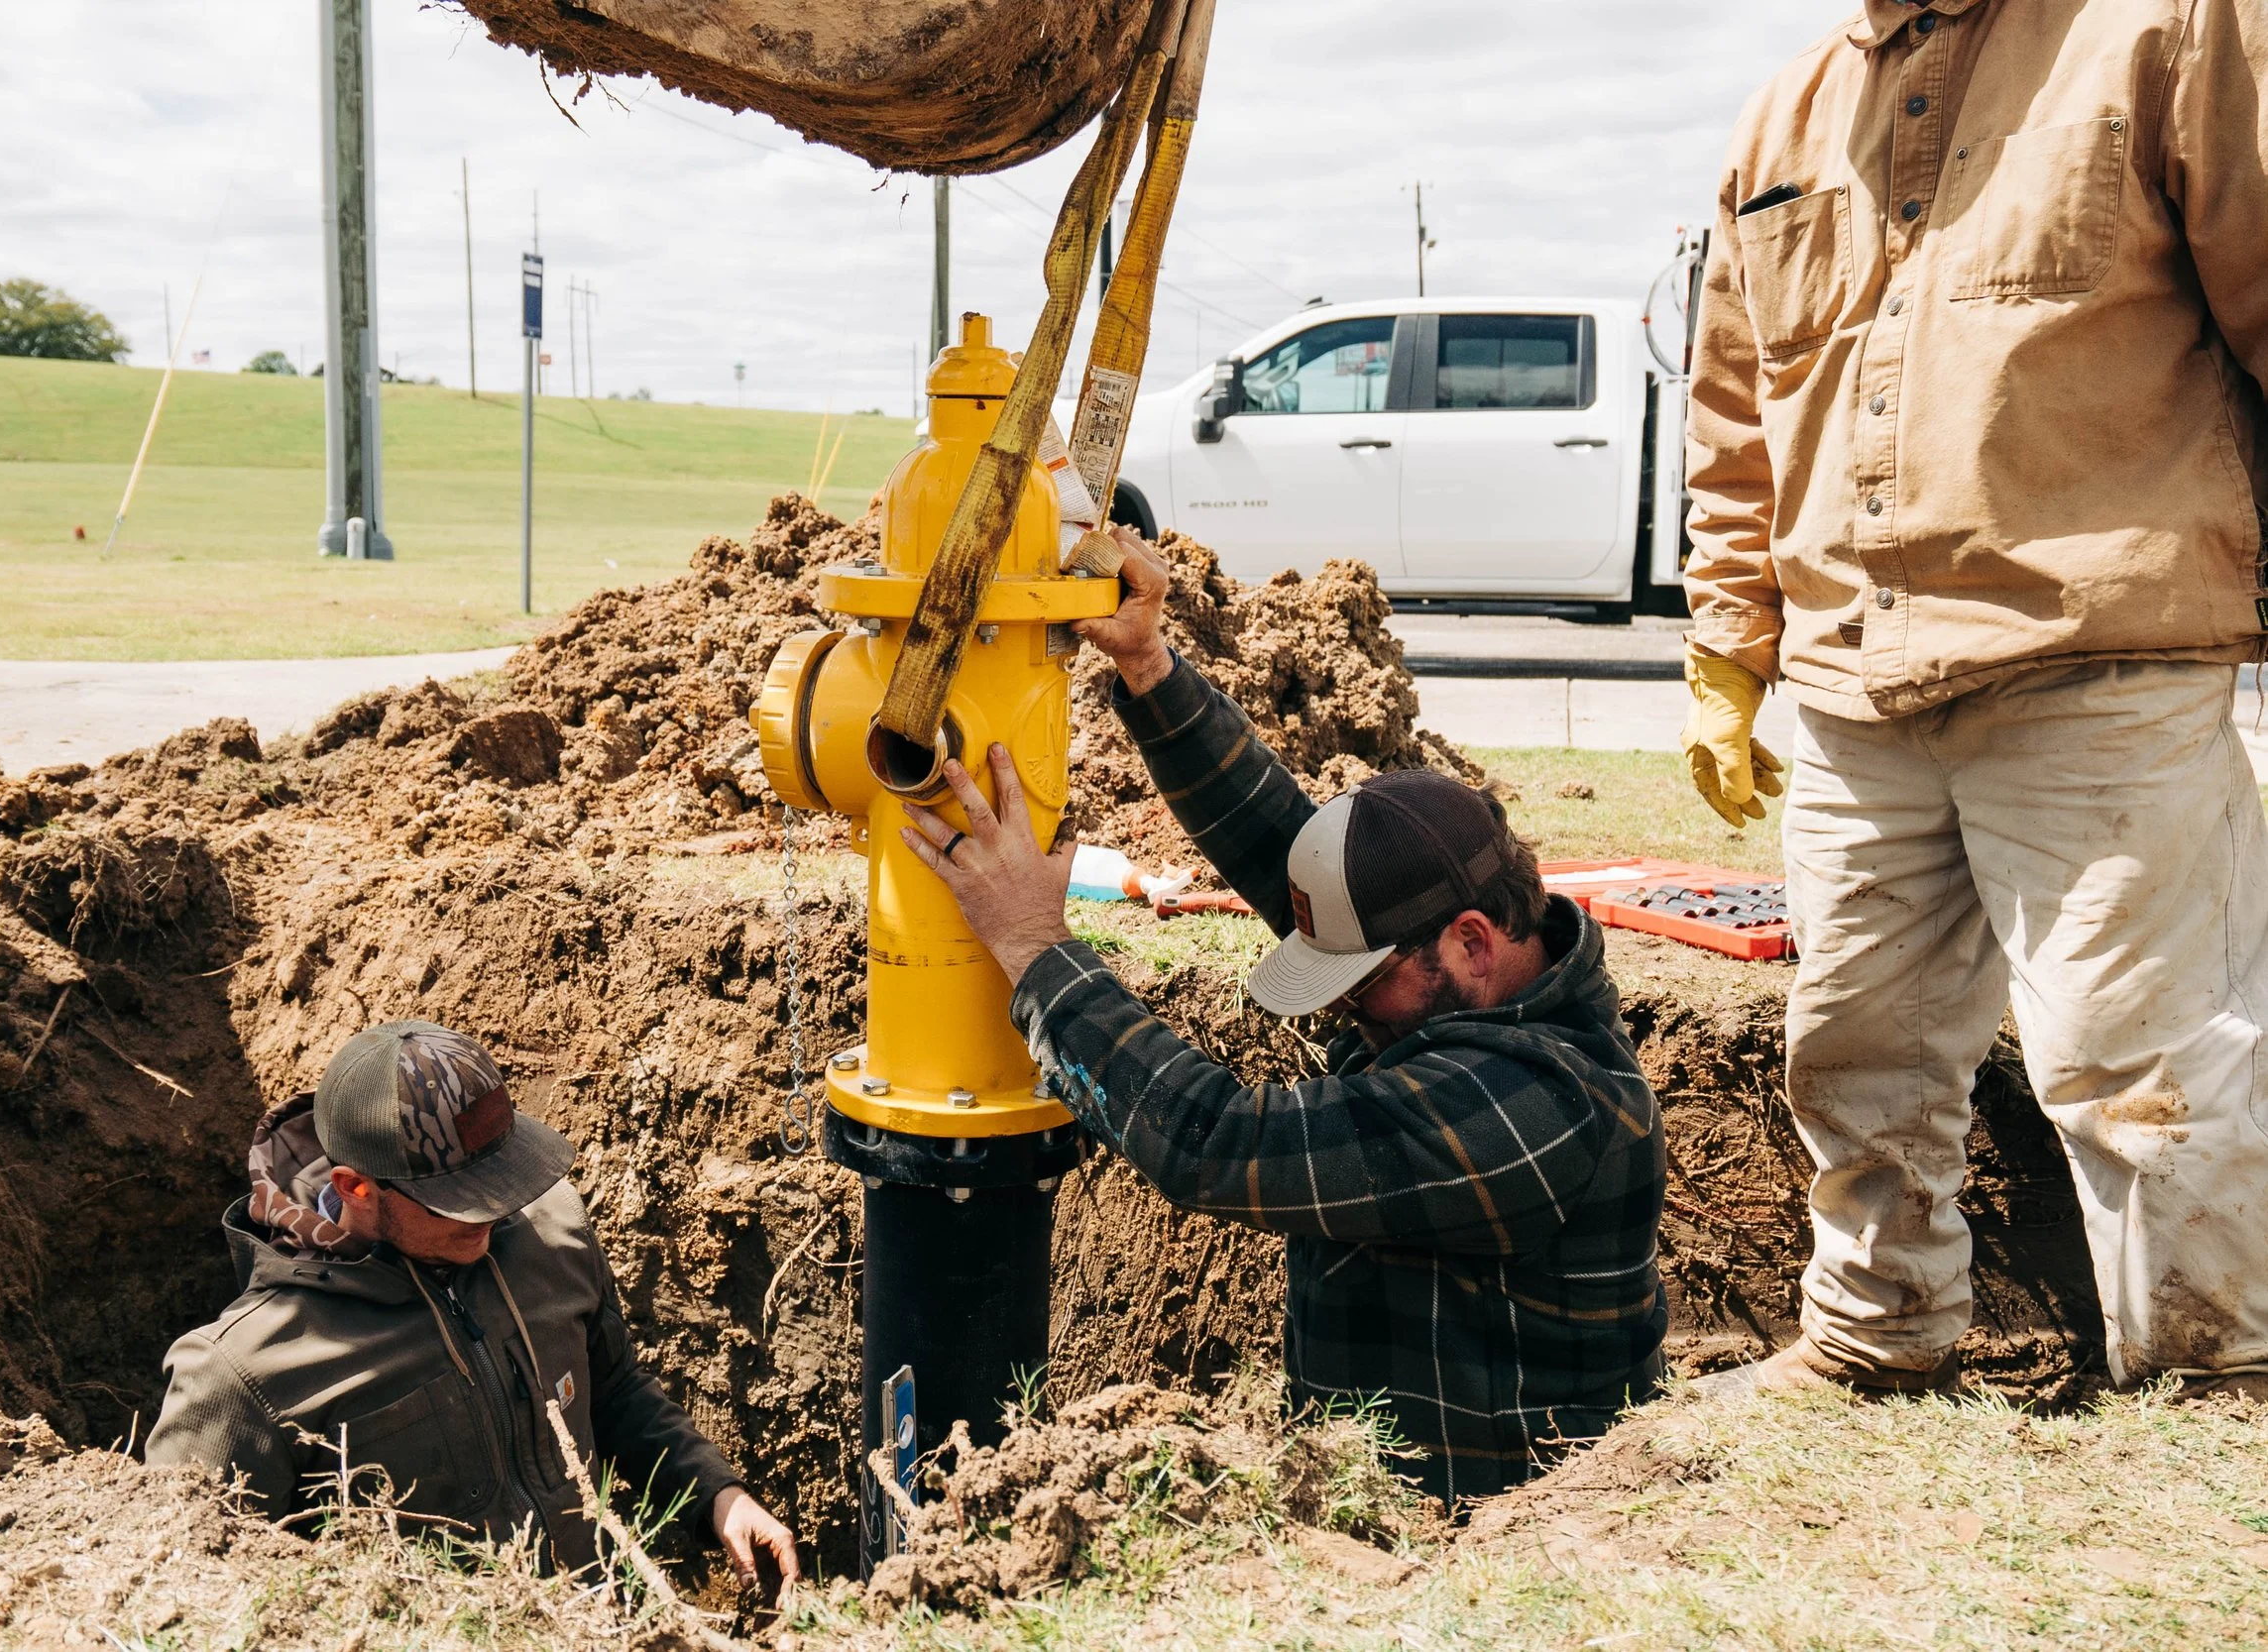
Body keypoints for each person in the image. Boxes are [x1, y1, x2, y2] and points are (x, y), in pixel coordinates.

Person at [1681, 0, 2268, 1397]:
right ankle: (1871, 1332)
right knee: (1854, 1046)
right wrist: (1727, 644)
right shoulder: (1786, 114)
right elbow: (1735, 414)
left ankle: (2219, 1373)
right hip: (1850, 679)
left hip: (2097, 658)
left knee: (2137, 1057)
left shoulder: (2167, 31)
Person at [900, 531, 1667, 1505]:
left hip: (1485, 1536)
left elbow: (1216, 1144)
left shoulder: (1535, 1105)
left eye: (1359, 979)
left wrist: (1034, 948)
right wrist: (1148, 669)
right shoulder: (1475, 985)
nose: (1342, 1003)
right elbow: (1291, 861)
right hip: (1396, 1500)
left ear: (1472, 941)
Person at [147, 1020, 801, 1587]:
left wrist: (716, 1494)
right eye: (457, 1200)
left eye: (500, 1180)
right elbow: (188, 1583)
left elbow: (614, 1390)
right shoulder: (240, 1375)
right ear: (355, 1187)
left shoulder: (552, 1231)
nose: (493, 1214)